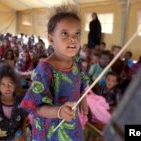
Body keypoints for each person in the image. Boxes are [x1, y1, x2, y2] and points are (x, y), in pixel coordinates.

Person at [20, 4, 88, 140]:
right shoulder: (45, 69)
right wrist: (59, 112)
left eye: (77, 33)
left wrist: (84, 100)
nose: (73, 39)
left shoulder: (77, 62)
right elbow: (37, 107)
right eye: (65, 34)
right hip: (50, 130)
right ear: (51, 39)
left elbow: (83, 81)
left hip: (71, 125)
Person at [0, 64, 28, 141]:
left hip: (16, 138)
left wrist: (23, 132)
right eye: (3, 84)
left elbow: (24, 117)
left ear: (15, 85)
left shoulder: (20, 101)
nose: (7, 87)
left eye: (10, 83)